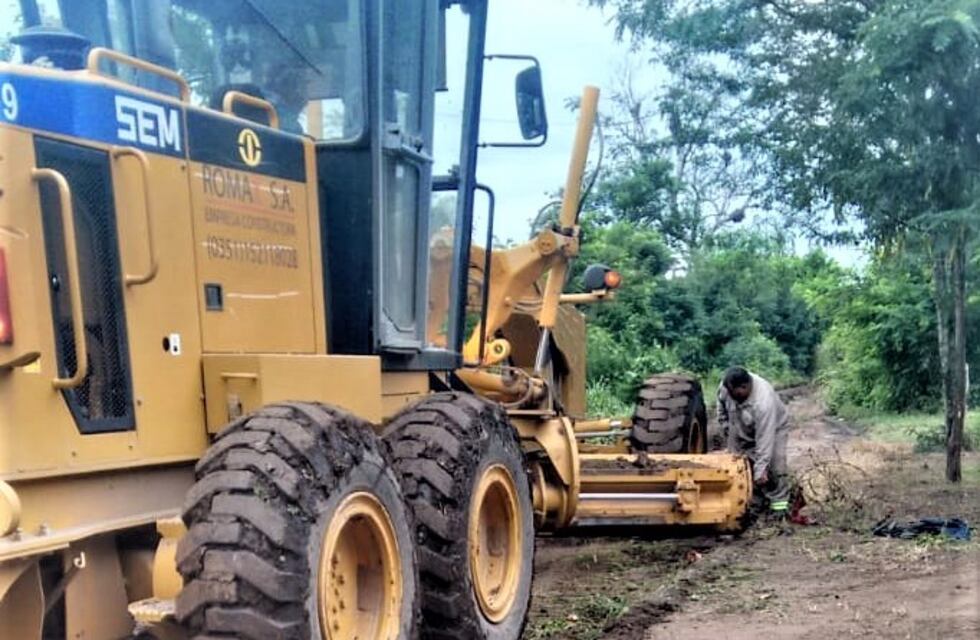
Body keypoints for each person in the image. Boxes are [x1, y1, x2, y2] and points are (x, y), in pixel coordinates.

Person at [717, 366, 791, 519]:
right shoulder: (726, 387)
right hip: (740, 423)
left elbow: (764, 439)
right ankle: (750, 501)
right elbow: (721, 408)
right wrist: (726, 428)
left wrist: (761, 468)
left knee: (774, 466)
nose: (730, 396)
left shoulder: (764, 402)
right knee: (736, 464)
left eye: (734, 394)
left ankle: (779, 507)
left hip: (773, 428)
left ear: (744, 387)